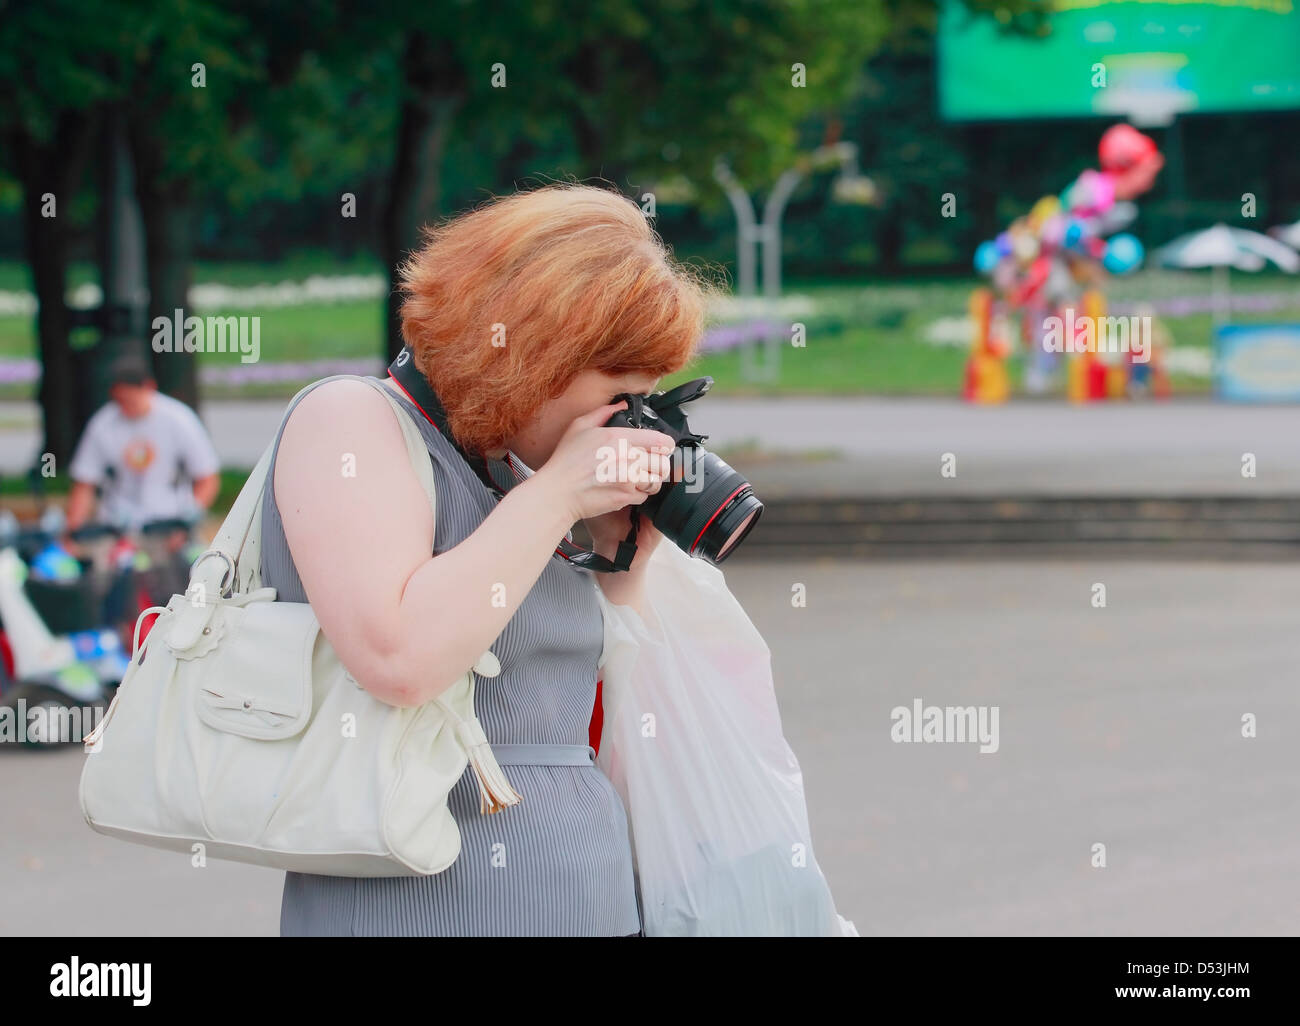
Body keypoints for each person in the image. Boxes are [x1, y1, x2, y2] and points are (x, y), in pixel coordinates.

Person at [265, 183, 713, 936]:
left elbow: (601, 724)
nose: (630, 425)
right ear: (536, 353)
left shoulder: (526, 478)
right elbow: (399, 656)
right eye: (619, 395)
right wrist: (559, 495)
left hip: (592, 902)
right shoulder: (350, 421)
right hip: (409, 907)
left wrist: (620, 558)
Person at [66, 354, 221, 535]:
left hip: (169, 520)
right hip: (118, 523)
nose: (126, 408)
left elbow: (207, 478)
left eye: (131, 401)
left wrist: (187, 522)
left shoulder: (179, 419)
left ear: (149, 387)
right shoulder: (103, 424)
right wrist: (72, 531)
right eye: (120, 401)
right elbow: (84, 482)